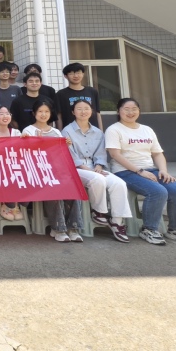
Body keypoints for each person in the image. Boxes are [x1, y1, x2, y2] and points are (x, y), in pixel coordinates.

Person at [106, 98, 176, 245]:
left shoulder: (147, 129)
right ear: (119, 111)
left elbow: (157, 153)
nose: (130, 112)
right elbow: (115, 155)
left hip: (150, 169)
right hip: (125, 171)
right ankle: (149, 229)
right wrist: (139, 171)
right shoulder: (114, 129)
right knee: (158, 191)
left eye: (134, 109)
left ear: (139, 111)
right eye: (126, 109)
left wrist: (163, 170)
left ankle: (174, 229)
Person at [62, 100, 131, 243]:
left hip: (95, 166)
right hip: (76, 168)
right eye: (79, 109)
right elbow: (69, 154)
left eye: (86, 108)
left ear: (91, 111)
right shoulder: (67, 131)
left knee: (119, 183)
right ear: (73, 112)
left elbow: (101, 153)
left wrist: (99, 165)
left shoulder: (98, 132)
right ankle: (98, 211)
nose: (83, 112)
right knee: (97, 179)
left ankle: (117, 222)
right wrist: (84, 167)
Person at [22, 100, 83, 242]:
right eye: (40, 111)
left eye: (46, 112)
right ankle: (58, 228)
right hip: (38, 171)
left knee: (73, 187)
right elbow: (26, 154)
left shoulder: (56, 132)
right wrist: (37, 141)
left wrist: (66, 145)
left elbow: (61, 154)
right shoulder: (28, 131)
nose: (43, 114)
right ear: (34, 113)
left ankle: (73, 228)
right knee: (54, 187)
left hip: (57, 170)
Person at [56, 63, 103, 130]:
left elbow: (97, 113)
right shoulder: (61, 94)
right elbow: (59, 116)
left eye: (78, 73)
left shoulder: (92, 91)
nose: (76, 76)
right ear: (65, 76)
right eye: (71, 73)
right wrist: (60, 133)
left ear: (83, 74)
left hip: (92, 131)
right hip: (70, 132)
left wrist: (101, 131)